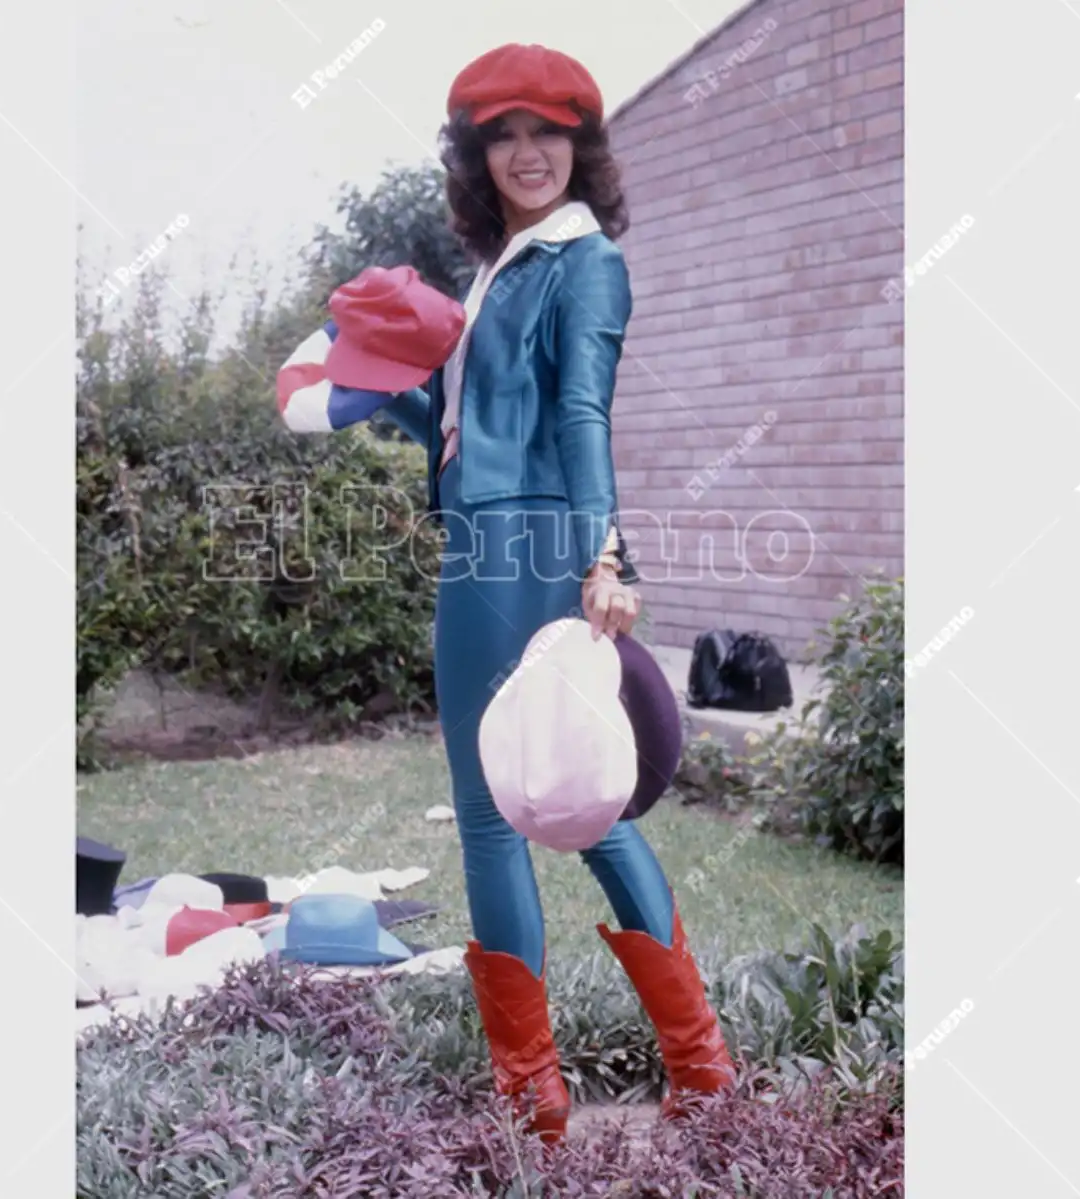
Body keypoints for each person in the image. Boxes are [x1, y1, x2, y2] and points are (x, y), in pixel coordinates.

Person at [367, 43, 734, 1143]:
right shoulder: (503, 269)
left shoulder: (583, 260)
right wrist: (371, 382)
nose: (528, 153)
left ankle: (532, 1100)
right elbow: (469, 428)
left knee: (498, 811)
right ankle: (700, 1069)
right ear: (478, 157)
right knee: (582, 800)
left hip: (520, 546)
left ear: (582, 146)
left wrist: (605, 555)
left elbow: (581, 415)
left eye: (549, 132)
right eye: (504, 136)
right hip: (497, 535)